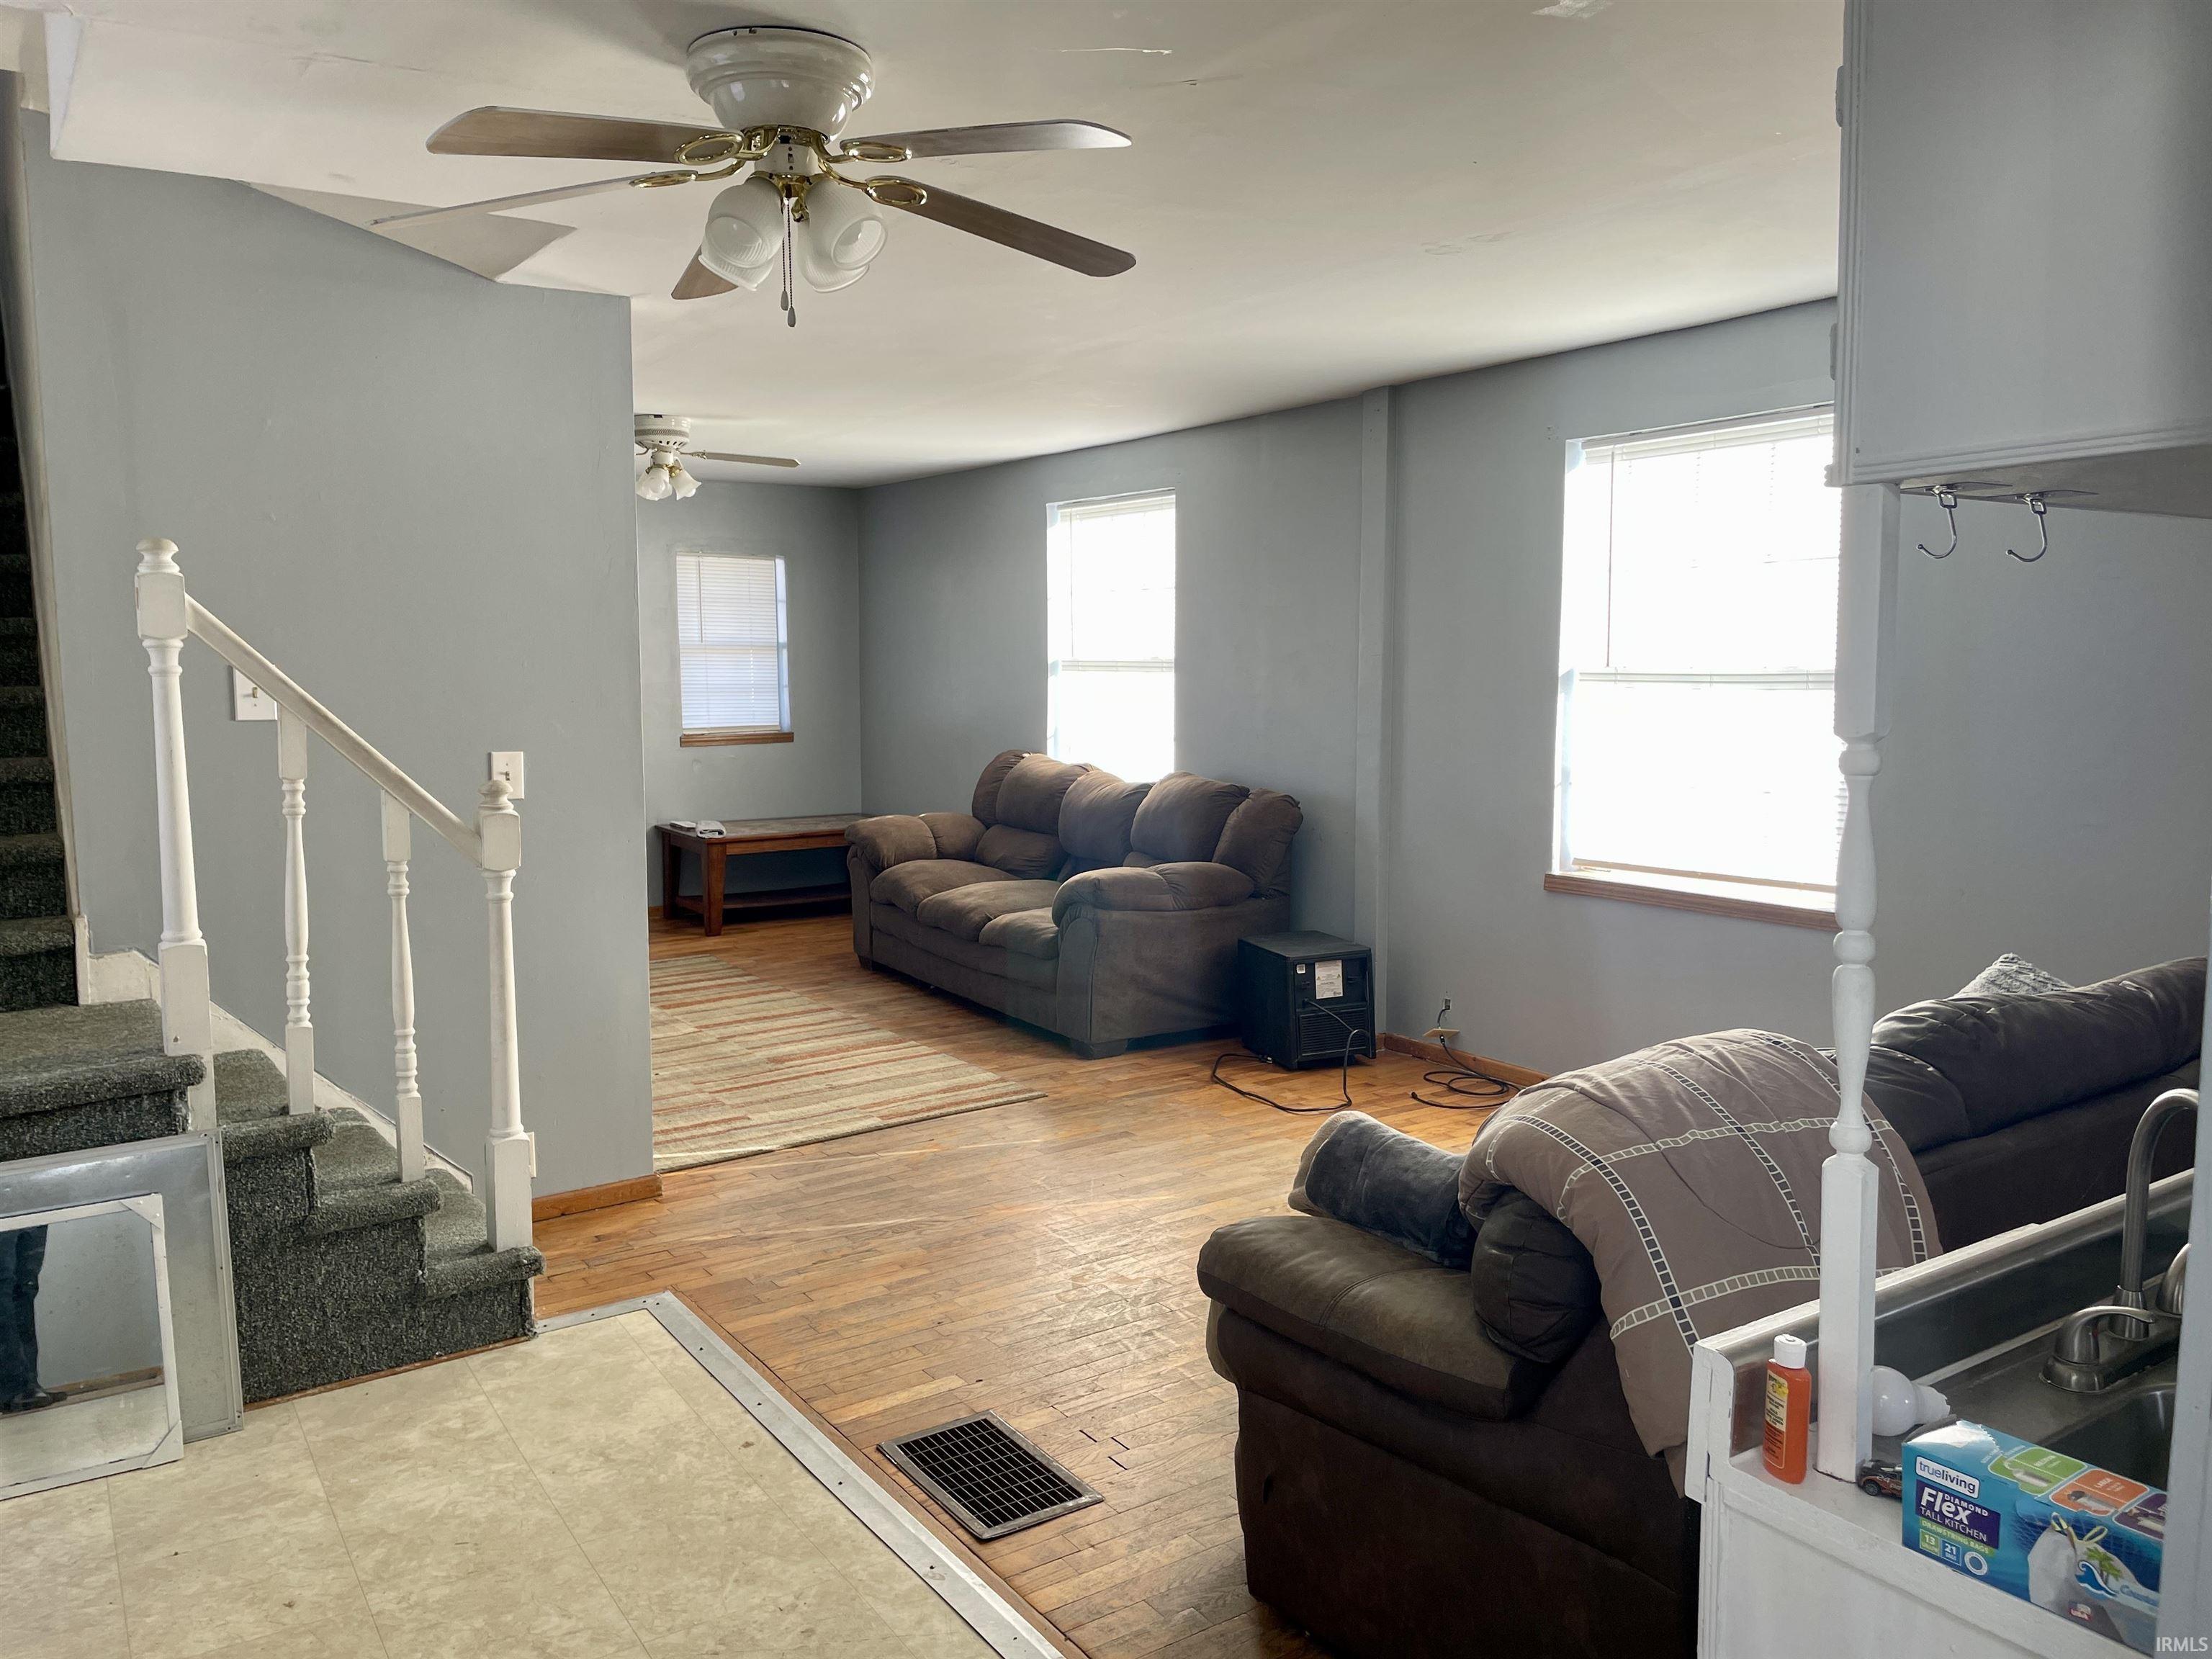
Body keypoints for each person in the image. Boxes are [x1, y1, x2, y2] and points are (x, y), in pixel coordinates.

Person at [0, 1223, 60, 1414]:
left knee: (25, 1287)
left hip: (31, 1199)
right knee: (4, 1289)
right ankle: (15, 1388)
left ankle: (28, 1384)